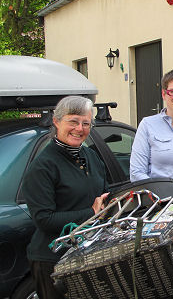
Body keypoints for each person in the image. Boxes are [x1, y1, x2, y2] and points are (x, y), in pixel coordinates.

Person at [21, 96, 109, 299]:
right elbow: (44, 219)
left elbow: (103, 196)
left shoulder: (91, 157)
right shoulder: (43, 166)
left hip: (88, 254)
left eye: (86, 123)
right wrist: (92, 213)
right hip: (53, 260)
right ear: (56, 121)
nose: (80, 128)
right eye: (73, 121)